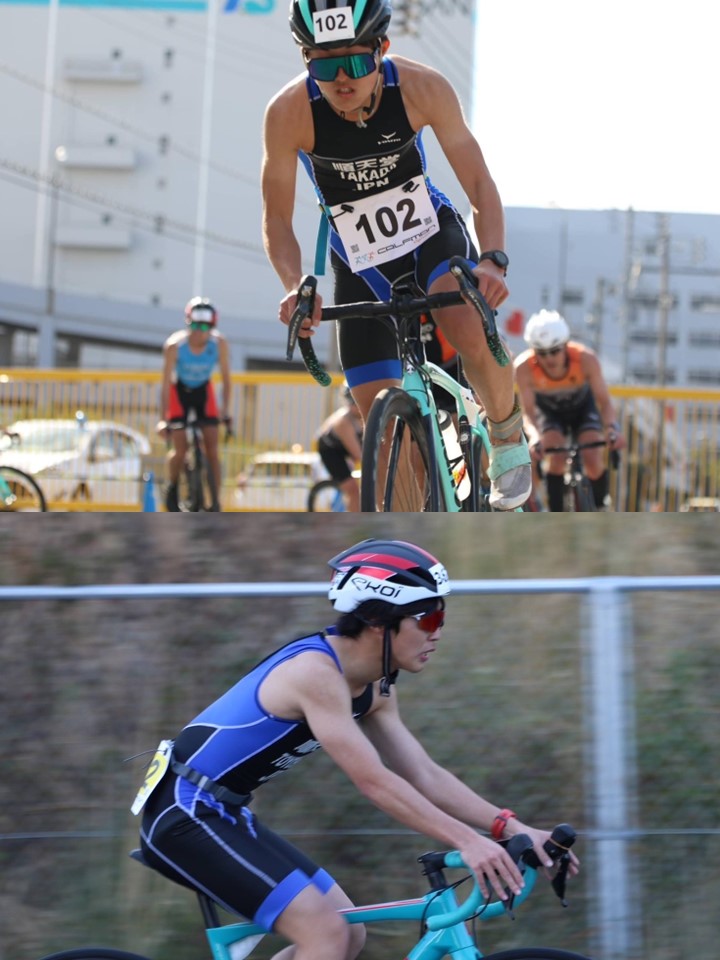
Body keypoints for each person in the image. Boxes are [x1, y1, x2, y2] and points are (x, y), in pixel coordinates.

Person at [136, 538, 579, 960]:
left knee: (347, 932)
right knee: (325, 932)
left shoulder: (375, 687)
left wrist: (509, 828)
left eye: (440, 618)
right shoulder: (315, 673)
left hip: (224, 812)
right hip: (184, 813)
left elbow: (423, 774)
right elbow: (374, 781)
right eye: (426, 619)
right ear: (377, 622)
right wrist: (467, 840)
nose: (437, 633)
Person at [261, 0, 531, 510]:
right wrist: (295, 284)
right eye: (323, 65)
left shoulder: (422, 88)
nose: (341, 79)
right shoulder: (288, 113)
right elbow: (276, 218)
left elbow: (478, 182)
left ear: (381, 50)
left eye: (357, 63)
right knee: (383, 436)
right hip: (358, 262)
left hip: (430, 235)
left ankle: (506, 433)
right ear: (305, 61)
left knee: (466, 326)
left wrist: (492, 259)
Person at [513, 309, 626, 512]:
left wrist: (612, 429)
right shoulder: (523, 367)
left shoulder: (585, 359)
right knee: (555, 458)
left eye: (555, 350)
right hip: (550, 413)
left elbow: (605, 402)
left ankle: (601, 507)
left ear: (565, 345)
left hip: (583, 409)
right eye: (541, 352)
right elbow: (528, 412)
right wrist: (534, 437)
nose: (549, 359)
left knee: (592, 458)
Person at [158, 297, 231, 512]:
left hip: (203, 392)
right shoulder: (174, 346)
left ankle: (215, 501)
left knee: (212, 449)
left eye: (205, 326)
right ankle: (171, 486)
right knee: (180, 449)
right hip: (180, 392)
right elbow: (164, 384)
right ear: (188, 323)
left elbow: (226, 380)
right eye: (195, 325)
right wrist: (164, 420)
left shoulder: (219, 345)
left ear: (212, 327)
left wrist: (225, 411)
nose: (199, 331)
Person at [315, 384, 364, 511]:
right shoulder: (344, 422)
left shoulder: (363, 417)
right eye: (355, 404)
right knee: (353, 490)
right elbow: (359, 456)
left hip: (343, 447)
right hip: (330, 451)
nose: (359, 408)